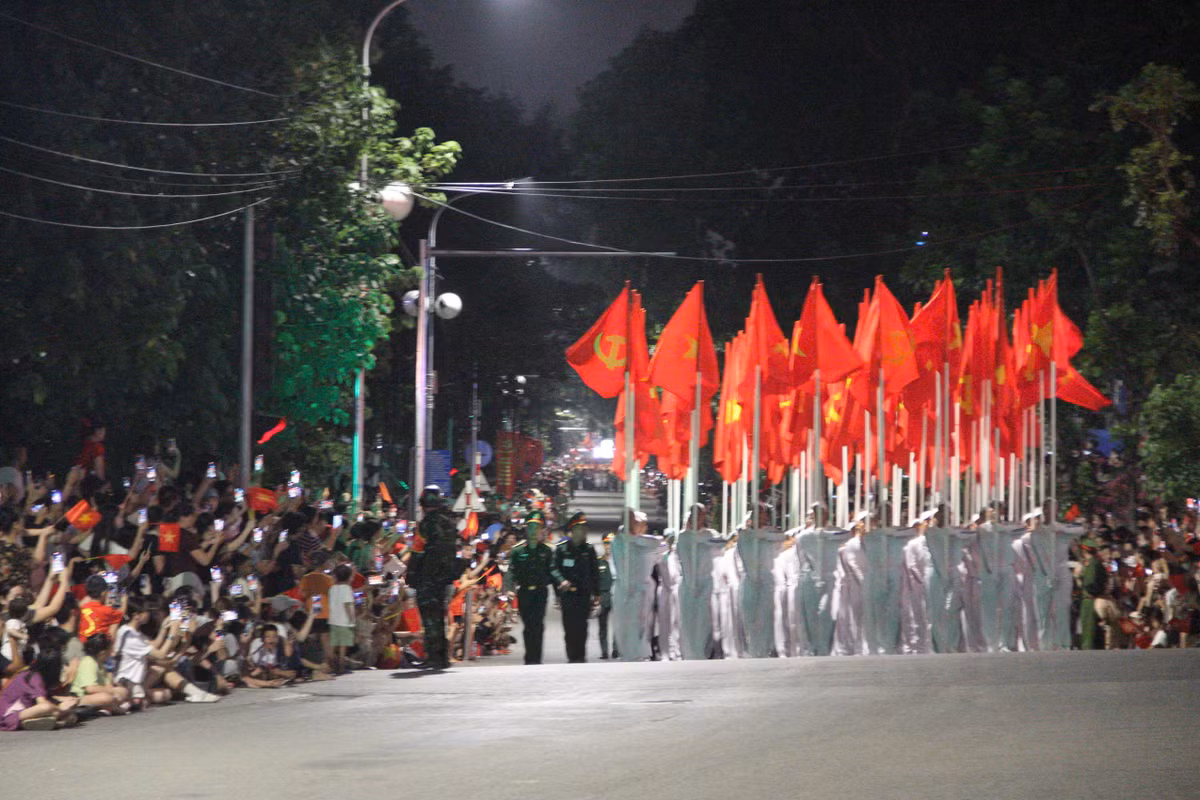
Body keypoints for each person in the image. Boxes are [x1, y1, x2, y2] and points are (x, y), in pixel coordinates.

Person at [413, 486, 458, 670]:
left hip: (428, 577)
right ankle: (443, 657)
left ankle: (433, 656)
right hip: (445, 576)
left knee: (429, 617)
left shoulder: (426, 524)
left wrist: (411, 575)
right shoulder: (450, 523)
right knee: (441, 615)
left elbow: (417, 550)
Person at [505, 509, 554, 665]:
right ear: (526, 529)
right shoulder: (518, 551)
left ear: (541, 530)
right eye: (531, 528)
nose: (534, 531)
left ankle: (536, 658)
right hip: (524, 592)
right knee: (528, 625)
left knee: (538, 624)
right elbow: (511, 571)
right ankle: (529, 656)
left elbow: (552, 571)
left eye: (537, 528)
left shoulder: (546, 551)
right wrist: (509, 588)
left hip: (540, 592)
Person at [551, 512, 600, 663]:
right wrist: (559, 588)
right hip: (568, 595)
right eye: (580, 528)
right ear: (572, 531)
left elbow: (594, 572)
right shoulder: (562, 549)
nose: (583, 531)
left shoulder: (589, 550)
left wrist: (597, 594)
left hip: (584, 595)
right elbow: (554, 569)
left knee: (582, 627)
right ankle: (572, 656)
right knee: (569, 627)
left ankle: (581, 656)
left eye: (585, 529)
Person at [328, 563, 355, 675]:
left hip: (333, 620)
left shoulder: (332, 588)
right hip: (344, 621)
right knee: (343, 645)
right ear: (349, 577)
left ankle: (330, 664)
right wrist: (351, 619)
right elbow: (347, 605)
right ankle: (341, 666)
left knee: (333, 644)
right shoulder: (347, 589)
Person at [596, 533, 614, 659]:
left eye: (611, 543)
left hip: (616, 594)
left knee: (618, 624)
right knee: (602, 625)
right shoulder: (599, 562)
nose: (608, 546)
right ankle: (604, 651)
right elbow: (595, 579)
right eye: (606, 543)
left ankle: (617, 649)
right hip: (603, 595)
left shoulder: (618, 561)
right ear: (603, 544)